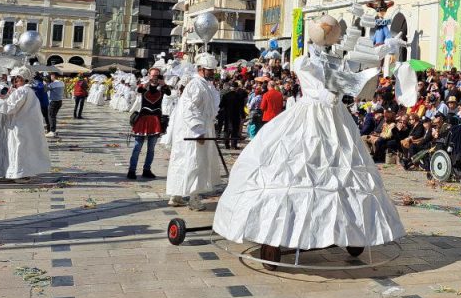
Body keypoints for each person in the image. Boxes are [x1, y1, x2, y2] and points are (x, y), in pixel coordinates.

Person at [213, 38, 405, 262]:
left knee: (341, 171)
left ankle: (351, 230)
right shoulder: (305, 61)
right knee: (296, 167)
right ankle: (278, 232)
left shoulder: (337, 61)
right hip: (309, 118)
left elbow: (352, 82)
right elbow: (320, 88)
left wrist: (376, 61)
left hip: (336, 121)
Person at [166, 53, 222, 207]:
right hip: (194, 131)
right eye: (209, 70)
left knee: (189, 161)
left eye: (212, 70)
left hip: (200, 128)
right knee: (194, 162)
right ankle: (193, 197)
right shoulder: (196, 85)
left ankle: (177, 195)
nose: (212, 72)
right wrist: (199, 130)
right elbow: (190, 109)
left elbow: (211, 108)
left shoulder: (206, 85)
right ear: (201, 69)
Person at [0, 66, 52, 183]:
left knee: (17, 149)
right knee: (13, 149)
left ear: (23, 79)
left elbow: (10, 108)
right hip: (17, 126)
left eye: (17, 79)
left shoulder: (23, 90)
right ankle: (9, 172)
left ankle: (19, 174)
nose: (14, 82)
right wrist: (7, 96)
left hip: (18, 127)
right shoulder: (25, 91)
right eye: (13, 79)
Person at [128, 68, 171, 180]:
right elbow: (139, 90)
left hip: (156, 120)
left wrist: (164, 83)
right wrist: (147, 81)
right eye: (153, 75)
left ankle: (147, 169)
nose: (154, 77)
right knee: (137, 147)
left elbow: (169, 93)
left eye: (157, 75)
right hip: (143, 119)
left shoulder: (162, 88)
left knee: (151, 148)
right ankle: (132, 170)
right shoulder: (144, 85)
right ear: (149, 75)